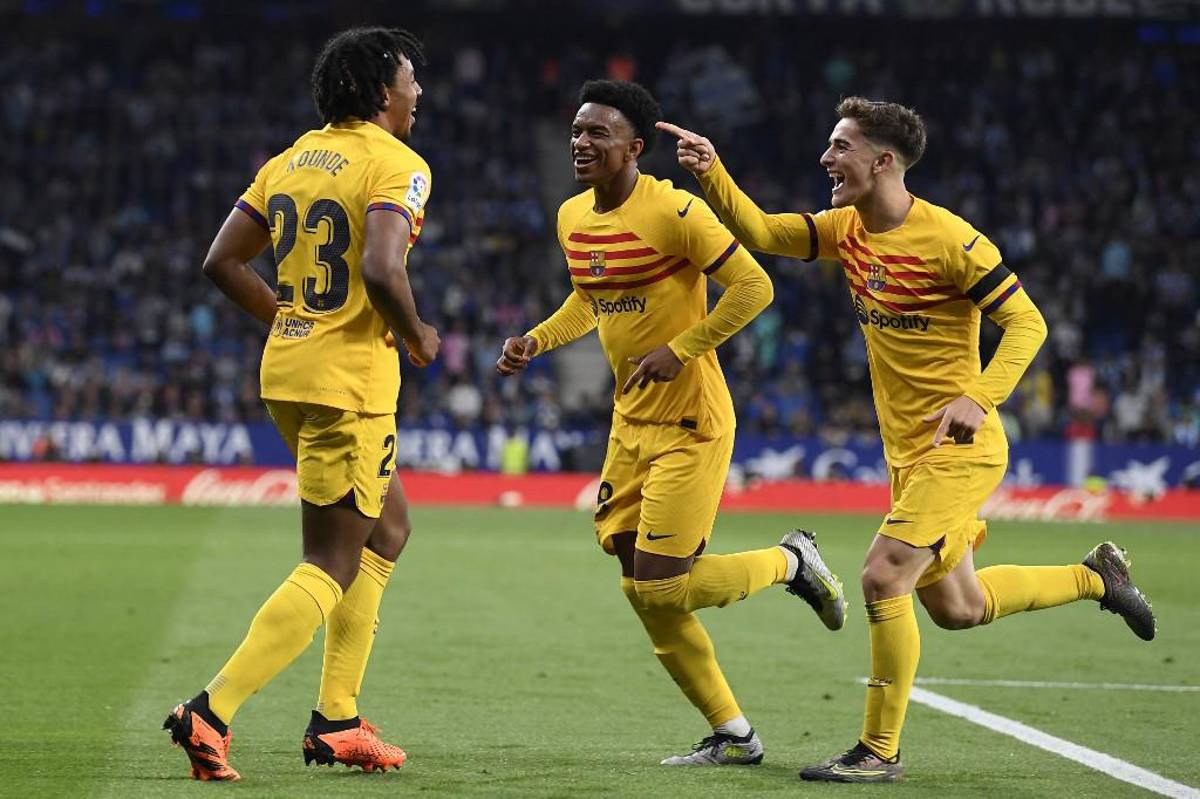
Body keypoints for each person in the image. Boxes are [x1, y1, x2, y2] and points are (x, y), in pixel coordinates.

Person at [658, 98, 1156, 782]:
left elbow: (1028, 323)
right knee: (958, 607)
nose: (827, 159)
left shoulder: (953, 240)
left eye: (841, 147)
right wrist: (711, 169)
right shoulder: (847, 229)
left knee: (882, 574)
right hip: (909, 455)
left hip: (962, 448)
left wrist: (979, 396)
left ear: (883, 160)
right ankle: (1097, 577)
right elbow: (765, 232)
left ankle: (878, 751)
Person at [496, 80, 847, 767]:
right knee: (641, 588)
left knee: (662, 586)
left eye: (598, 133)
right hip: (630, 422)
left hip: (691, 419)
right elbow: (590, 299)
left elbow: (756, 286)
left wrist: (682, 348)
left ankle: (791, 561)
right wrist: (536, 340)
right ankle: (734, 734)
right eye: (576, 130)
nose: (581, 142)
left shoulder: (676, 209)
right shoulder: (572, 216)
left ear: (634, 147)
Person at [162, 27, 440, 781]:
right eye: (410, 80)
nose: (418, 91)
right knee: (330, 561)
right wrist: (416, 334)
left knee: (388, 527)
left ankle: (338, 718)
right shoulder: (398, 164)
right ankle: (210, 710)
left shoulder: (290, 159)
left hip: (288, 370)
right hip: (350, 385)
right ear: (382, 92)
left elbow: (222, 260)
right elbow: (382, 267)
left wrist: (293, 318)